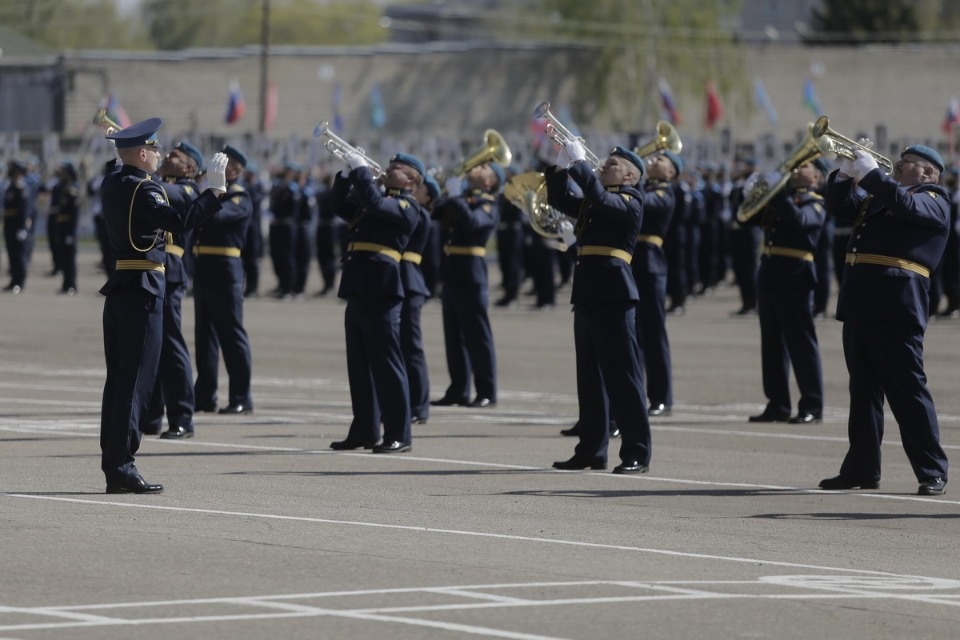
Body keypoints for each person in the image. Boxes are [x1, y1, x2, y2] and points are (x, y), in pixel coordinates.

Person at [99, 118, 225, 493]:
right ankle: (122, 466)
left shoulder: (113, 182)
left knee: (120, 381)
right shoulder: (143, 188)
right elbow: (180, 221)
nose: (158, 154)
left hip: (123, 285)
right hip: (143, 288)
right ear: (142, 153)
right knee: (136, 382)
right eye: (153, 149)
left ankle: (115, 464)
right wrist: (214, 192)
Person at [820, 143, 950, 496]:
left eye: (906, 163)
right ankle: (862, 468)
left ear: (927, 172)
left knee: (907, 390)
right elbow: (838, 207)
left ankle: (931, 469)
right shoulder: (881, 196)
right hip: (861, 301)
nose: (896, 165)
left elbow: (905, 205)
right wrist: (843, 176)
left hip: (897, 304)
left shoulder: (935, 199)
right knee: (862, 391)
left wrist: (872, 175)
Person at [546, 141, 652, 475]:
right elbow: (559, 199)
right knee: (589, 380)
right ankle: (591, 450)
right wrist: (560, 168)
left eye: (614, 164)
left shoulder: (631, 200)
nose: (604, 165)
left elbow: (602, 198)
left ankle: (636, 451)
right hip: (588, 293)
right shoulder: (597, 201)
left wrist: (580, 164)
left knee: (624, 378)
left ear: (631, 175)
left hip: (615, 296)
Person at [326, 152, 422, 453]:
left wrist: (362, 174)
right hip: (358, 284)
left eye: (397, 168)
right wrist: (344, 177)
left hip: (382, 290)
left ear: (411, 181)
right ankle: (365, 430)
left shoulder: (407, 205)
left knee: (387, 365)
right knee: (359, 365)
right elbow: (339, 206)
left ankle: (398, 433)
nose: (389, 169)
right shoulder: (376, 200)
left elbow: (375, 203)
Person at [743, 158, 828, 425]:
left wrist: (775, 192)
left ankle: (812, 404)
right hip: (769, 273)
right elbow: (746, 219)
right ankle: (777, 404)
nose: (795, 169)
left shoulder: (815, 202)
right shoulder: (784, 198)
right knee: (772, 346)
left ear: (817, 178)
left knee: (801, 345)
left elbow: (799, 221)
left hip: (796, 277)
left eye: (804, 167)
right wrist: (750, 193)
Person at [143, 141, 205, 439]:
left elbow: (165, 193)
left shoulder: (189, 189)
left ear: (190, 168)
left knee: (171, 344)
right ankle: (151, 416)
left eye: (176, 156)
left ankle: (182, 416)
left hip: (171, 269)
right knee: (150, 344)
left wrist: (140, 167)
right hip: (151, 266)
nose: (168, 156)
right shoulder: (155, 183)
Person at [430, 161, 503, 408]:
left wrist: (455, 195)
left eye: (484, 167)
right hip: (452, 270)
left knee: (477, 336)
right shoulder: (463, 197)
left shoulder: (488, 204)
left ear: (491, 181)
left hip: (472, 273)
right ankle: (458, 389)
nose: (477, 166)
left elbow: (473, 224)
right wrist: (441, 188)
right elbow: (434, 211)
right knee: (453, 336)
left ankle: (486, 391)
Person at [193, 144, 255, 415]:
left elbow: (214, 216)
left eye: (225, 164)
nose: (218, 167)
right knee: (204, 335)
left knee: (231, 334)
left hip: (226, 268)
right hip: (204, 266)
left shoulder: (240, 197)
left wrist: (210, 191)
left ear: (237, 170)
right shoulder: (213, 193)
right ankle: (205, 395)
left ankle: (241, 396)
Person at [634, 150, 682, 417]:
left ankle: (662, 397)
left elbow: (642, 202)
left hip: (651, 265)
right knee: (634, 336)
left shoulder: (665, 193)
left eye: (660, 161)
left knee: (653, 335)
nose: (653, 160)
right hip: (632, 262)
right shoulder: (644, 187)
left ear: (671, 173)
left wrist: (631, 176)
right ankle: (636, 395)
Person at [406, 173, 439, 424]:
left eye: (420, 188)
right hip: (396, 282)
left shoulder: (420, 214)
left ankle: (419, 406)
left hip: (409, 284)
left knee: (412, 347)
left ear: (428, 198)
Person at [49, 161, 81, 295]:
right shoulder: (60, 188)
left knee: (69, 258)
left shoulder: (72, 190)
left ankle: (71, 285)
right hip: (60, 226)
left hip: (68, 228)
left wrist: (71, 233)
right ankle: (65, 284)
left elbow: (75, 215)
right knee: (62, 256)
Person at [3, 160, 33, 294]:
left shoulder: (21, 188)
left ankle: (19, 282)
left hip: (17, 226)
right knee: (11, 254)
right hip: (9, 225)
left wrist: (22, 228)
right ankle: (13, 280)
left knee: (19, 255)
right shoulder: (10, 187)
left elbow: (24, 211)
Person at [241, 161, 265, 298]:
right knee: (243, 259)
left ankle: (253, 288)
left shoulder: (257, 187)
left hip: (254, 228)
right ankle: (245, 287)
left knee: (253, 260)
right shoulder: (243, 187)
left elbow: (255, 201)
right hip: (245, 228)